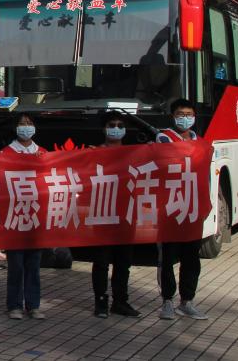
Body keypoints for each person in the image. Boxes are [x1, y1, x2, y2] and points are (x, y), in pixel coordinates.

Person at [157, 98, 209, 321]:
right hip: (170, 206)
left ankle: (187, 301)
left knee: (191, 257)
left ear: (195, 117)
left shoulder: (201, 142)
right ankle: (167, 301)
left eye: (189, 114)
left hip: (193, 208)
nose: (185, 118)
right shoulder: (164, 138)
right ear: (173, 116)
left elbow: (205, 175)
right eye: (180, 114)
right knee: (168, 256)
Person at [91, 113, 139, 319]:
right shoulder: (94, 153)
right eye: (112, 125)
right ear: (104, 128)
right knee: (101, 261)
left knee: (123, 262)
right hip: (102, 213)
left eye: (120, 125)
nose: (116, 128)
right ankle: (101, 301)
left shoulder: (133, 154)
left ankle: (120, 301)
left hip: (126, 213)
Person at [3, 113, 45, 320]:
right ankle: (14, 305)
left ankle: (33, 305)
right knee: (16, 264)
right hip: (15, 215)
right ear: (15, 127)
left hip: (36, 215)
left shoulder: (43, 153)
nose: (26, 127)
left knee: (34, 264)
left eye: (29, 123)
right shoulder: (6, 152)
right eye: (22, 123)